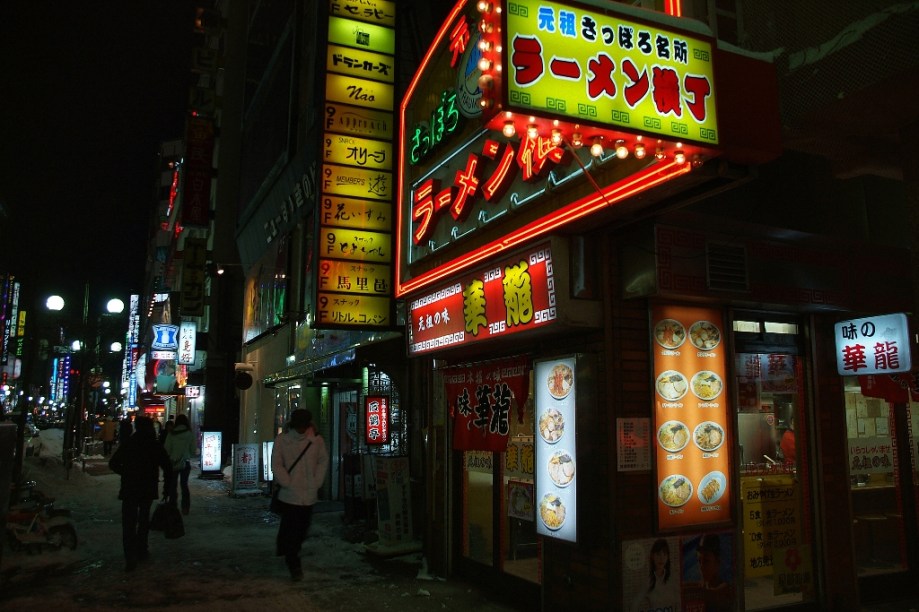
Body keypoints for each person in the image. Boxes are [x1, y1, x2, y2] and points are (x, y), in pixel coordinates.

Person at [271, 409, 328, 581]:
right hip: (290, 494)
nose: (302, 428)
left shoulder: (316, 440)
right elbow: (277, 463)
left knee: (302, 528)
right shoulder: (283, 439)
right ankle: (293, 562)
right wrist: (286, 481)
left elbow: (323, 460)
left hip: (309, 494)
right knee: (293, 530)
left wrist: (317, 481)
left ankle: (286, 548)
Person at [109, 416, 172, 571]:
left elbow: (113, 463)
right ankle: (141, 549)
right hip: (147, 488)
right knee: (143, 520)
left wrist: (126, 473)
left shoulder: (130, 443)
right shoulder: (154, 445)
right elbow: (167, 467)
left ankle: (129, 555)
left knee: (128, 523)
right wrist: (167, 488)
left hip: (130, 488)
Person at [632, 538, 680, 612]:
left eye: (664, 554)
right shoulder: (648, 581)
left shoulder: (673, 578)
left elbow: (678, 603)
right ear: (652, 556)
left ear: (668, 557)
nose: (661, 558)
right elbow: (635, 603)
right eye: (658, 554)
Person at [163, 414, 196, 515]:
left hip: (173, 462)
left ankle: (173, 506)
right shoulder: (190, 434)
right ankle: (185, 508)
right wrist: (186, 454)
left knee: (173, 485)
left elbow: (166, 449)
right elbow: (193, 451)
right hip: (185, 463)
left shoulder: (171, 434)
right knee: (184, 485)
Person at [695, 534, 735, 612]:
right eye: (699, 561)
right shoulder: (702, 586)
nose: (701, 567)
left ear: (717, 562)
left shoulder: (724, 589)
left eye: (706, 561)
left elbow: (713, 595)